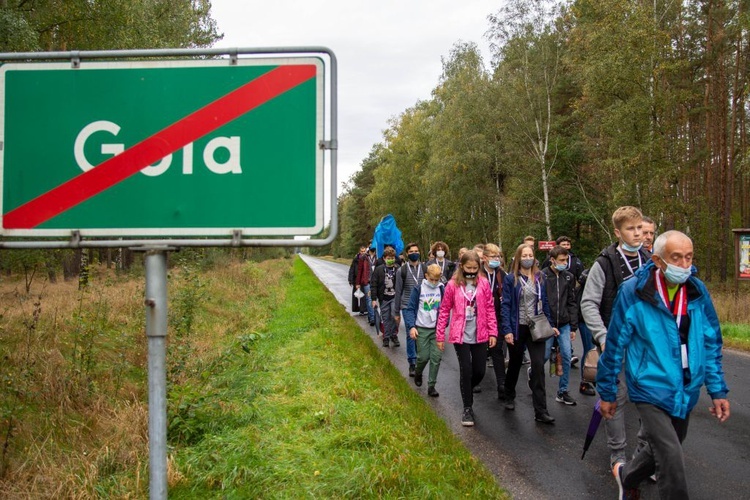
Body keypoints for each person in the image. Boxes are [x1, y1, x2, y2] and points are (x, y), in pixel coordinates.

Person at [598, 230, 730, 499]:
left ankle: (627, 477)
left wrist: (717, 390)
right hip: (649, 386)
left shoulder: (696, 290)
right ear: (658, 260)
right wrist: (608, 392)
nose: (685, 265)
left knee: (664, 447)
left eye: (689, 258)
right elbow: (614, 345)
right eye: (677, 258)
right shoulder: (634, 292)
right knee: (671, 455)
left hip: (686, 387)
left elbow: (711, 341)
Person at [580, 206, 651, 467]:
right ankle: (618, 455)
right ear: (617, 232)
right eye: (631, 229)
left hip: (645, 345)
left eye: (640, 228)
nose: (637, 234)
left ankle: (644, 454)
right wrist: (603, 336)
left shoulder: (651, 261)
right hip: (614, 342)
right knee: (616, 398)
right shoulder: (605, 263)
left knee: (648, 398)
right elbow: (588, 303)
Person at [436, 250, 498, 427]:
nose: (471, 270)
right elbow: (444, 310)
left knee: (479, 371)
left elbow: (490, 308)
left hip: (480, 333)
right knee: (466, 369)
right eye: (468, 267)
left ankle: (467, 388)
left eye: (475, 267)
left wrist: (493, 332)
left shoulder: (484, 284)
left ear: (479, 267)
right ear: (461, 266)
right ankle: (467, 408)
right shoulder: (452, 285)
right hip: (460, 334)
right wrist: (440, 334)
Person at [501, 244, 558, 424]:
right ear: (518, 258)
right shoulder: (512, 279)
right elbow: (506, 305)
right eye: (524, 255)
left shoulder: (541, 277)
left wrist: (550, 324)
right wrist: (507, 330)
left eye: (530, 255)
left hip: (537, 327)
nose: (527, 258)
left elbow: (545, 302)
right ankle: (509, 394)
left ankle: (540, 410)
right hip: (519, 327)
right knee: (516, 363)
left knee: (539, 366)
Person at [542, 245, 579, 406]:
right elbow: (541, 301)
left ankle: (562, 391)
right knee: (543, 356)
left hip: (564, 323)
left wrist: (573, 325)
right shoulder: (543, 276)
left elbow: (571, 302)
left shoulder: (569, 277)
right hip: (548, 323)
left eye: (566, 260)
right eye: (561, 260)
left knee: (566, 355)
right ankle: (535, 375)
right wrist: (548, 323)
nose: (565, 263)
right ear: (552, 260)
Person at [403, 264, 445, 397]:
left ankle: (431, 385)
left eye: (436, 280)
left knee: (436, 358)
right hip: (421, 329)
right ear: (426, 276)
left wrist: (443, 325)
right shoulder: (419, 289)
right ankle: (418, 371)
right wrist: (412, 326)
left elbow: (445, 310)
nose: (434, 282)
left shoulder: (442, 289)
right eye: (431, 279)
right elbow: (410, 309)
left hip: (436, 330)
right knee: (423, 357)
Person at [396, 242, 427, 377]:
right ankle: (412, 363)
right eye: (411, 251)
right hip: (407, 305)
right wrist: (396, 312)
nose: (414, 253)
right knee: (411, 333)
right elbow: (398, 291)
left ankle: (418, 358)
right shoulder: (402, 270)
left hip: (422, 305)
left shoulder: (425, 268)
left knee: (419, 334)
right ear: (407, 254)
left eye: (416, 250)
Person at [481, 243, 508, 400]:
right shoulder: (478, 273)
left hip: (497, 317)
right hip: (479, 317)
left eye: (498, 256)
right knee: (480, 350)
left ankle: (501, 385)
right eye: (493, 257)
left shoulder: (501, 274)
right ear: (484, 258)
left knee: (497, 350)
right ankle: (475, 378)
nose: (496, 259)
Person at [370, 246, 401, 348]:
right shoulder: (379, 270)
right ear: (384, 258)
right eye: (388, 258)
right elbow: (373, 284)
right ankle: (386, 337)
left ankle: (394, 335)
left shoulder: (398, 270)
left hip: (395, 298)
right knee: (385, 318)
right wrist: (374, 299)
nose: (390, 260)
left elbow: (402, 284)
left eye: (392, 258)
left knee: (394, 316)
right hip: (383, 298)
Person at [357, 244, 376, 326]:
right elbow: (359, 270)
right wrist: (358, 282)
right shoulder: (364, 257)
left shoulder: (378, 257)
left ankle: (371, 315)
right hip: (367, 281)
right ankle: (372, 318)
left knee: (375, 300)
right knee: (369, 299)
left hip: (376, 282)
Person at [349, 246, 367, 314]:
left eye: (364, 251)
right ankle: (356, 308)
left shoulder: (366, 259)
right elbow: (352, 269)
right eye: (361, 251)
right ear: (360, 251)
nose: (363, 253)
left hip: (364, 279)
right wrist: (350, 279)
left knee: (363, 295)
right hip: (356, 280)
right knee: (355, 295)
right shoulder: (356, 259)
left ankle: (363, 310)